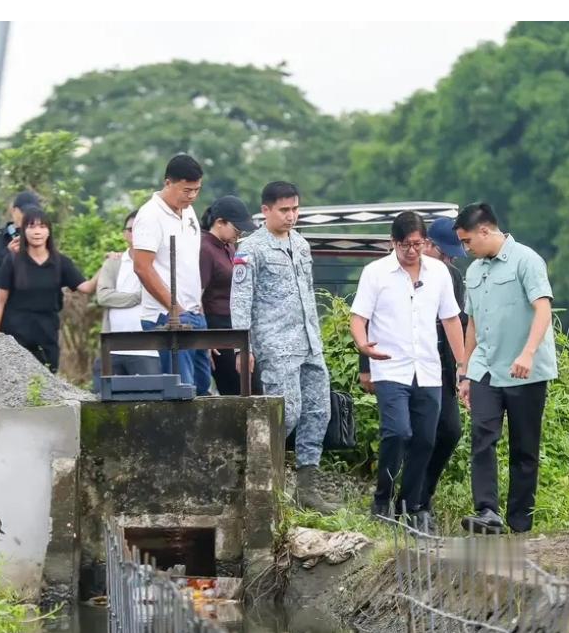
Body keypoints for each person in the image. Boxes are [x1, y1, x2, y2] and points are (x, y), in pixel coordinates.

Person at [350, 212, 466, 533]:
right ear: (393, 242)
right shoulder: (376, 273)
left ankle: (411, 504)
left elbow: (451, 320)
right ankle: (382, 499)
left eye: (418, 244)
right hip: (390, 366)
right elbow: (359, 318)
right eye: (405, 245)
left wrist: (463, 366)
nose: (412, 251)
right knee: (398, 432)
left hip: (428, 368)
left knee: (427, 439)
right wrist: (363, 345)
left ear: (425, 242)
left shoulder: (439, 272)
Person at [231, 181, 339, 513]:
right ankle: (264, 484)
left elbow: (308, 292)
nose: (291, 216)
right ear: (265, 211)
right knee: (286, 412)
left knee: (318, 411)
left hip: (309, 341)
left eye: (295, 209)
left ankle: (306, 489)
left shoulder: (301, 244)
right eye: (284, 210)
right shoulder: (251, 248)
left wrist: (316, 337)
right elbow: (240, 300)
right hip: (276, 344)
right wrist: (242, 347)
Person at [455, 203, 557, 535]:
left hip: (524, 369)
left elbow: (543, 309)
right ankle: (487, 511)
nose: (466, 249)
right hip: (485, 368)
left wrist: (528, 353)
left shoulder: (526, 260)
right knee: (482, 437)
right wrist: (465, 372)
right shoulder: (474, 271)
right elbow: (472, 324)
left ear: (485, 231)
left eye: (468, 241)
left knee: (524, 447)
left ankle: (520, 522)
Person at [131, 154, 211, 395]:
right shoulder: (150, 215)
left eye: (196, 190)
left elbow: (188, 263)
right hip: (166, 315)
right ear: (168, 183)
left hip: (194, 312)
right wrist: (174, 307)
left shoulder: (189, 211)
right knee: (181, 390)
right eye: (187, 190)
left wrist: (197, 306)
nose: (192, 196)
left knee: (203, 386)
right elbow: (142, 267)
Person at [0, 208, 97, 372]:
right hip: (15, 335)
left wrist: (108, 265)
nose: (37, 232)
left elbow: (86, 287)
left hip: (47, 335)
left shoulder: (61, 262)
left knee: (46, 378)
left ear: (49, 231)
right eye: (31, 226)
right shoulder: (12, 261)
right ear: (24, 231)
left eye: (42, 226)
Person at [198, 195, 261, 395]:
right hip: (217, 328)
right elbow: (196, 296)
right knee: (237, 389)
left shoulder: (229, 246)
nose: (240, 233)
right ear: (220, 222)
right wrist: (203, 337)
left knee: (253, 387)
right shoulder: (205, 249)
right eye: (237, 229)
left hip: (235, 325)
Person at [91, 212, 160, 390]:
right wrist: (137, 297)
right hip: (113, 349)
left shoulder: (161, 262)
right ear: (124, 234)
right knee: (103, 399)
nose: (136, 233)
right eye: (131, 229)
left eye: (141, 229)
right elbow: (103, 296)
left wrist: (122, 297)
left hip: (149, 351)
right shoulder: (114, 262)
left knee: (150, 400)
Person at [0, 191, 41, 296]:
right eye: (23, 212)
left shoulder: (40, 239)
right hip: (0, 301)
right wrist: (7, 253)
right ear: (13, 211)